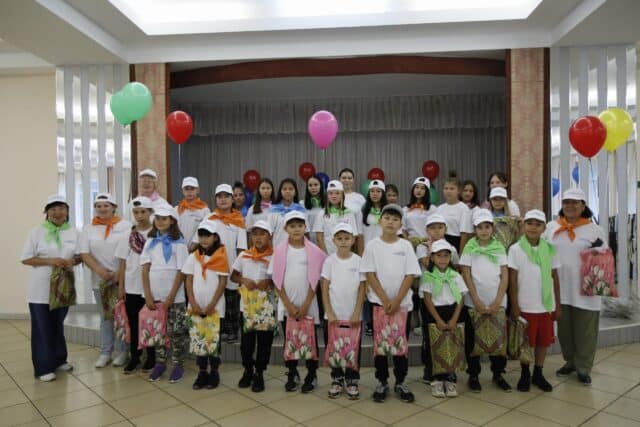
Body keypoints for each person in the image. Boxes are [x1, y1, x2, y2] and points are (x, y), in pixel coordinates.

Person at [544, 189, 607, 386]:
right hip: (560, 288)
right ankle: (570, 362)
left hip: (585, 289)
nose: (570, 206)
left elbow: (603, 256)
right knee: (564, 331)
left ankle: (584, 367)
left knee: (586, 330)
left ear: (583, 206)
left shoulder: (594, 229)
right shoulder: (552, 227)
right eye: (566, 202)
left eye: (575, 202)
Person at [361, 204, 421, 403]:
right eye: (387, 218)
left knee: (400, 345)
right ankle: (382, 381)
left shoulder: (405, 246)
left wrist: (397, 301)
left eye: (395, 219)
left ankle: (401, 382)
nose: (390, 222)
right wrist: (386, 300)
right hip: (379, 304)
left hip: (402, 306)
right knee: (380, 346)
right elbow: (369, 273)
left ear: (400, 224)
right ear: (380, 221)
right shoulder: (372, 245)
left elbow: (410, 274)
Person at [21, 195, 80, 381]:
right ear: (46, 212)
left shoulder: (74, 232)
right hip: (40, 290)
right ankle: (43, 367)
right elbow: (26, 259)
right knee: (42, 328)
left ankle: (59, 359)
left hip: (63, 288)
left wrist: (73, 261)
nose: (57, 212)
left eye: (61, 208)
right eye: (53, 209)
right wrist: (51, 261)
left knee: (57, 325)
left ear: (67, 211)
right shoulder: (36, 232)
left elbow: (80, 255)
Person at [269, 211, 326, 393]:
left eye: (300, 226)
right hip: (287, 305)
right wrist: (288, 305)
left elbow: (316, 280)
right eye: (292, 226)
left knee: (311, 340)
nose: (296, 229)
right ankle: (292, 373)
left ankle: (311, 374)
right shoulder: (279, 251)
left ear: (305, 227)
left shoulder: (315, 252)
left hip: (308, 305)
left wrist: (306, 304)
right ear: (285, 228)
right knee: (290, 340)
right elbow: (276, 280)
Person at [508, 209, 561, 392]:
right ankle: (525, 373)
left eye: (538, 224)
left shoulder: (550, 249)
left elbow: (555, 277)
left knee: (542, 342)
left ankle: (538, 373)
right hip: (525, 304)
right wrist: (514, 305)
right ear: (523, 226)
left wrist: (558, 305)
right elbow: (512, 279)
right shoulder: (515, 249)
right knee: (526, 343)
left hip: (545, 305)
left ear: (544, 228)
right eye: (529, 223)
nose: (533, 227)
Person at [459, 210, 511, 392]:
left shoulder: (499, 247)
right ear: (474, 229)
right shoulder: (469, 247)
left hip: (497, 301)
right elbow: (466, 274)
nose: (483, 230)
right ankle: (473, 375)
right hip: (474, 302)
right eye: (479, 227)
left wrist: (498, 301)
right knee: (472, 340)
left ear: (492, 228)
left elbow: (505, 276)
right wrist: (476, 299)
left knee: (498, 339)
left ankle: (498, 373)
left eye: (487, 226)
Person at [80, 193, 131, 368]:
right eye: (98, 206)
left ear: (114, 207)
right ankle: (105, 352)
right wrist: (100, 270)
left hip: (122, 279)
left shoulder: (125, 226)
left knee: (122, 317)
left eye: (106, 205)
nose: (102, 209)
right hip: (100, 280)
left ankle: (123, 351)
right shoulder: (89, 228)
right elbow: (84, 254)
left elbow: (130, 251)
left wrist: (119, 273)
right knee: (106, 318)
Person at [141, 205, 189, 383]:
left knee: (176, 331)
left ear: (172, 221)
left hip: (174, 297)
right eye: (158, 218)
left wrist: (171, 297)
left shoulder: (179, 243)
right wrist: (147, 295)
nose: (160, 222)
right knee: (157, 330)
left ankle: (178, 364)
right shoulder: (150, 242)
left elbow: (182, 271)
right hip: (155, 295)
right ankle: (160, 363)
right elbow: (144, 269)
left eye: (164, 218)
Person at [320, 222, 366, 400]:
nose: (343, 241)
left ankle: (352, 380)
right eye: (339, 238)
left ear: (353, 240)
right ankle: (337, 378)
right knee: (334, 347)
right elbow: (325, 287)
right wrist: (329, 311)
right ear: (333, 241)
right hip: (333, 315)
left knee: (354, 347)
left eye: (347, 238)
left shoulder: (358, 261)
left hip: (353, 315)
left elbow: (362, 288)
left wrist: (356, 312)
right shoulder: (329, 261)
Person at [197, 184, 248, 343]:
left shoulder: (238, 219)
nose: (223, 199)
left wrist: (239, 270)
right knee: (216, 298)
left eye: (227, 196)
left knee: (231, 300)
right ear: (215, 200)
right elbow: (201, 243)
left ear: (232, 199)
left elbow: (241, 248)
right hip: (212, 268)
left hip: (231, 267)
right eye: (220, 197)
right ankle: (217, 330)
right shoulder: (209, 218)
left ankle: (232, 330)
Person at [183, 220, 229, 390]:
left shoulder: (221, 257)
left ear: (215, 237)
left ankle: (214, 372)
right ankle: (202, 372)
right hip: (195, 308)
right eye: (201, 235)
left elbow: (222, 282)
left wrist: (212, 304)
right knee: (198, 340)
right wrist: (192, 302)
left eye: (207, 235)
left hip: (214, 308)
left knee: (213, 342)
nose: (203, 239)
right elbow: (188, 279)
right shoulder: (193, 257)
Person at [231, 220, 275, 393]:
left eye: (262, 234)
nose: (258, 238)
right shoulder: (244, 256)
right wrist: (243, 280)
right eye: (254, 234)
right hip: (247, 307)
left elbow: (280, 279)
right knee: (247, 342)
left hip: (266, 307)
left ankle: (259, 372)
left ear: (269, 236)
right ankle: (248, 369)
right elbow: (233, 276)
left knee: (264, 342)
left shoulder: (275, 257)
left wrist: (269, 281)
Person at [420, 239, 468, 398]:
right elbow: (427, 299)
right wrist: (438, 320)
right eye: (438, 255)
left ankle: (450, 378)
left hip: (452, 312)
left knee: (452, 344)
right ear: (432, 258)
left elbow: (461, 298)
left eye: (446, 256)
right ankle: (436, 380)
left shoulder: (456, 276)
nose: (442, 259)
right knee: (435, 346)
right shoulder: (428, 276)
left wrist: (454, 319)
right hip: (434, 313)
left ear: (450, 258)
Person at [115, 196, 156, 374]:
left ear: (150, 212)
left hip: (152, 287)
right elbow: (123, 262)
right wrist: (121, 287)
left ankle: (152, 357)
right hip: (132, 285)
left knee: (151, 322)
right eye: (136, 212)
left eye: (143, 212)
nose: (139, 215)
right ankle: (135, 356)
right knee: (133, 322)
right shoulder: (128, 235)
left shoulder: (157, 234)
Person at [361, 179, 387, 335]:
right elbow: (360, 235)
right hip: (368, 253)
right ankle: (370, 322)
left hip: (384, 254)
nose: (375, 194)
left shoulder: (387, 211)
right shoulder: (363, 211)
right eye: (372, 191)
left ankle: (383, 318)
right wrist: (361, 254)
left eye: (378, 191)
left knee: (382, 285)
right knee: (368, 287)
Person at [314, 180, 361, 255]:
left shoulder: (349, 213)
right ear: (327, 195)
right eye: (331, 193)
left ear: (342, 195)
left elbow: (354, 236)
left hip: (345, 254)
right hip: (328, 254)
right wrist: (326, 256)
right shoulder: (322, 213)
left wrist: (346, 253)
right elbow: (319, 238)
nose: (334, 196)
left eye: (337, 193)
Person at [436, 171, 473, 252]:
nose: (448, 191)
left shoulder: (463, 208)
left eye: (452, 189)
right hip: (441, 244)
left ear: (458, 191)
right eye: (446, 188)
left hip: (456, 243)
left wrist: (461, 255)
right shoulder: (439, 208)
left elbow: (464, 234)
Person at [271, 178, 307, 247]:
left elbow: (305, 232)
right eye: (284, 189)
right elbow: (270, 233)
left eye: (291, 189)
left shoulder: (301, 210)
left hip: (297, 248)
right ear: (280, 192)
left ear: (295, 192)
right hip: (278, 248)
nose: (287, 191)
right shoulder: (274, 210)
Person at [175, 177, 210, 248]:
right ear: (182, 191)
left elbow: (204, 230)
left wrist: (193, 245)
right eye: (186, 189)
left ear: (198, 190)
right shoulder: (176, 209)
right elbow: (174, 230)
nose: (189, 192)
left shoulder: (205, 211)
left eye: (192, 189)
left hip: (197, 249)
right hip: (178, 248)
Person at [403, 177, 436, 244]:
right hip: (410, 243)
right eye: (417, 187)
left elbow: (435, 228)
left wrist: (429, 242)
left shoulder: (432, 209)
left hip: (427, 243)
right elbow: (403, 229)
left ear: (426, 191)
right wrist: (407, 242)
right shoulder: (405, 209)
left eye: (422, 188)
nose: (419, 190)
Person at [301, 175, 326, 245]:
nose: (313, 188)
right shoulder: (302, 204)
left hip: (325, 240)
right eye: (310, 185)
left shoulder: (327, 203)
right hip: (308, 240)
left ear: (321, 186)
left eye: (316, 185)